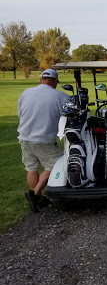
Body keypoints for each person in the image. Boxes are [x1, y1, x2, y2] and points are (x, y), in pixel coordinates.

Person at [17, 69, 68, 212]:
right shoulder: (61, 96)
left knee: (31, 167)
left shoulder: (26, 93)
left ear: (41, 79)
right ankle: (35, 194)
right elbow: (70, 115)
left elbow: (20, 112)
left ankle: (38, 200)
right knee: (57, 164)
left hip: (24, 136)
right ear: (55, 81)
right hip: (43, 138)